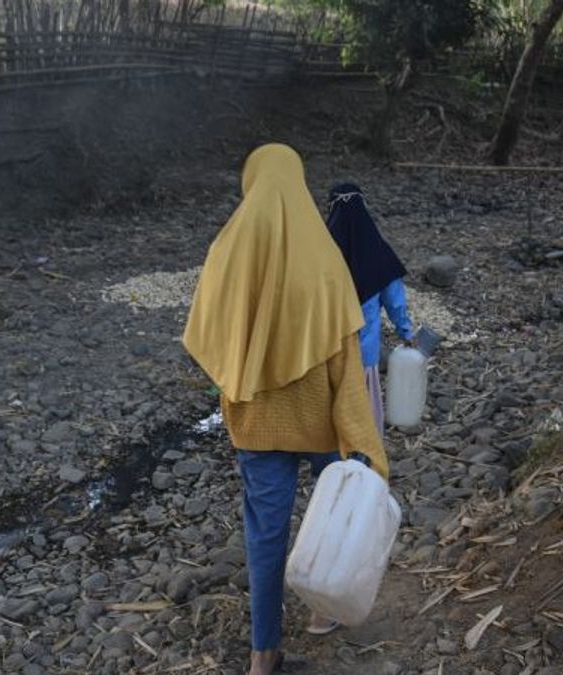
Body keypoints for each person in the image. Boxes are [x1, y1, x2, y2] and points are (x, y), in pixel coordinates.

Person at [183, 145, 389, 675]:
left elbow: (210, 335)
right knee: (333, 520)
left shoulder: (228, 249)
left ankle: (262, 653)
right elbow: (346, 361)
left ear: (251, 183)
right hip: (320, 424)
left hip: (256, 426)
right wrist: (362, 441)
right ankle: (324, 614)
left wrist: (242, 377)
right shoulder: (323, 258)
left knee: (265, 537)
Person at [326, 182, 416, 436]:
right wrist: (406, 334)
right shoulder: (377, 253)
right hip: (364, 354)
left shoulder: (323, 253)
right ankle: (362, 458)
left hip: (327, 353)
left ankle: (331, 460)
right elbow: (395, 301)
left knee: (330, 411)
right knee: (362, 414)